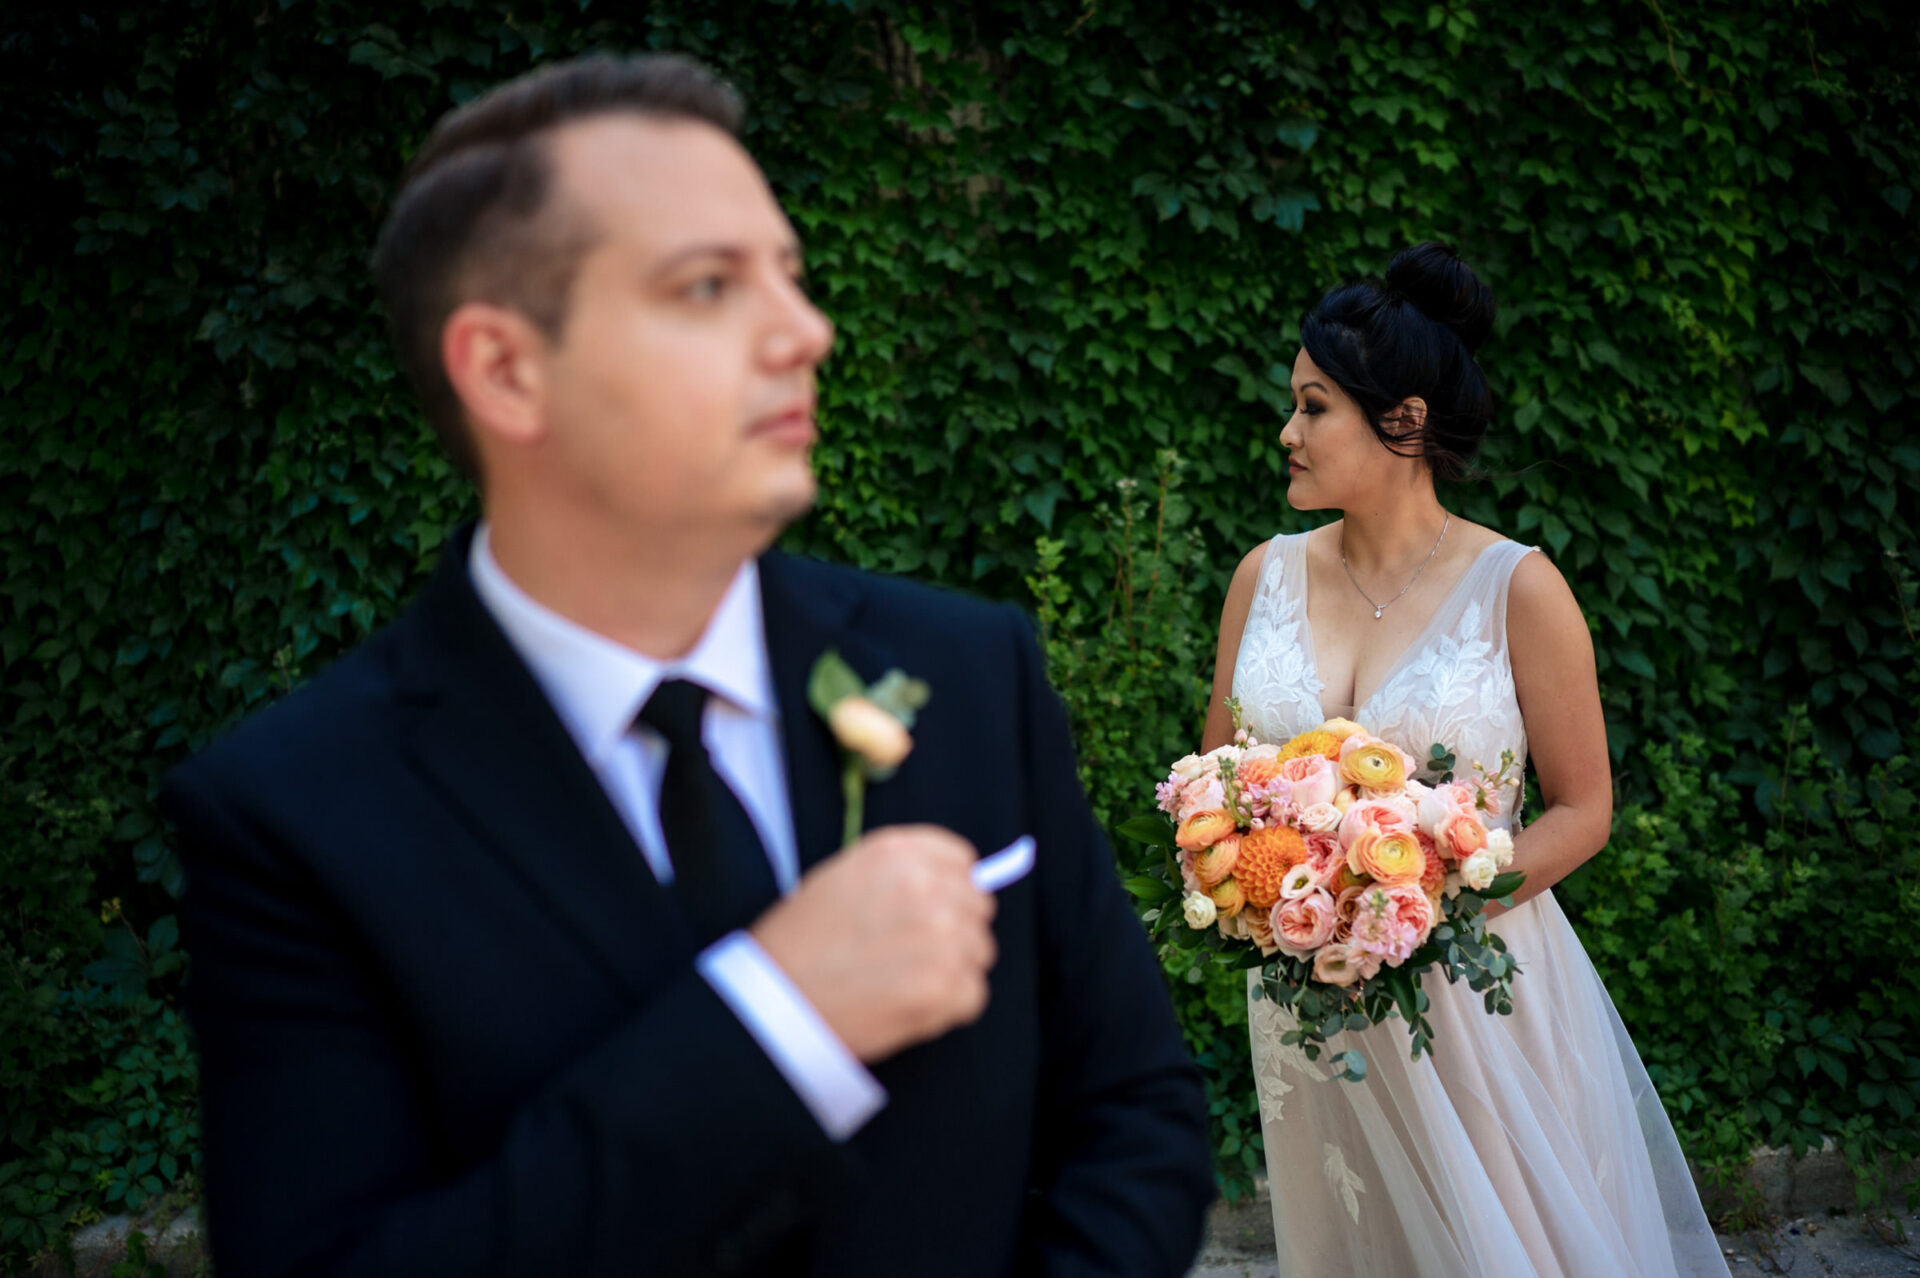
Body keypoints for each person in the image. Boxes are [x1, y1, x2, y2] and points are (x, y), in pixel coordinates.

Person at [160, 53, 1213, 1277]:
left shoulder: (971, 671)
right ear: (505, 369)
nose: (806, 331)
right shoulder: (295, 818)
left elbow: (1138, 1118)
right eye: (709, 286)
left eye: (792, 276)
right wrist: (778, 1025)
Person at [1201, 243, 1729, 1276]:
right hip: (1309, 998)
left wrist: (1426, 914)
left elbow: (1583, 809)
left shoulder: (1519, 589)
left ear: (1401, 420)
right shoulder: (1260, 576)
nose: (1286, 433)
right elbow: (1217, 781)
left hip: (1474, 995)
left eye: (1314, 408)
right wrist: (1255, 890)